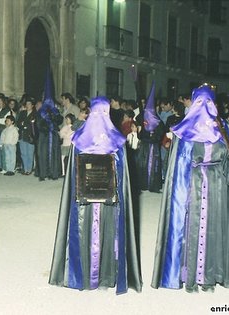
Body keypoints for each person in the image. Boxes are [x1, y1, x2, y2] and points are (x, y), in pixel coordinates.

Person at [151, 85, 229, 292]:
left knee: (213, 226)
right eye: (200, 102)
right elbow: (178, 167)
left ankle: (208, 276)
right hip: (194, 186)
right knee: (191, 227)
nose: (203, 107)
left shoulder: (222, 127)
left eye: (207, 102)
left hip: (215, 185)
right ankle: (190, 276)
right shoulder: (185, 128)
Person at [49, 96, 142, 294]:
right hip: (97, 198)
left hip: (96, 199)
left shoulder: (83, 138)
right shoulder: (113, 139)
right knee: (102, 231)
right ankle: (97, 277)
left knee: (100, 231)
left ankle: (99, 276)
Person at [35, 97, 63, 181]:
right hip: (44, 136)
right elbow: (39, 124)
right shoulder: (41, 112)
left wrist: (54, 116)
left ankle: (53, 173)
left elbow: (60, 120)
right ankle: (43, 173)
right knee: (43, 154)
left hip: (53, 136)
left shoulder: (55, 111)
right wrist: (47, 127)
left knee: (54, 154)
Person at [17, 96, 37, 175]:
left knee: (30, 153)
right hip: (22, 135)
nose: (27, 105)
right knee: (23, 153)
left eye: (29, 104)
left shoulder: (35, 114)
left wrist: (24, 124)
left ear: (32, 105)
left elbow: (33, 125)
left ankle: (29, 169)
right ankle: (25, 169)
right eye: (27, 104)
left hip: (30, 136)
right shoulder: (22, 113)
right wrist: (24, 125)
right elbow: (18, 123)